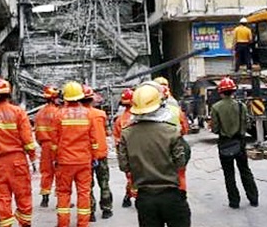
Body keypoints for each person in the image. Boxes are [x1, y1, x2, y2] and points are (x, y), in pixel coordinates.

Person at [118, 83, 191, 227]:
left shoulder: (126, 134)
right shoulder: (171, 131)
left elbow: (123, 166)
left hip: (145, 198)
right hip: (171, 195)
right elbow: (180, 163)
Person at [0, 77, 36, 227]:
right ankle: (24, 223)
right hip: (18, 161)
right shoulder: (18, 112)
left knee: (2, 199)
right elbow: (28, 139)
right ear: (9, 93)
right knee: (23, 195)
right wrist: (33, 158)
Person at [51, 81, 99, 227]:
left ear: (65, 97)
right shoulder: (89, 114)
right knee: (84, 193)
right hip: (84, 161)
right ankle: (83, 224)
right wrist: (95, 156)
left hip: (65, 162)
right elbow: (94, 140)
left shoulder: (59, 115)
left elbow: (54, 142)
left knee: (63, 194)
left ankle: (63, 223)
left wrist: (55, 159)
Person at [210, 76, 258, 209]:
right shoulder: (241, 106)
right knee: (245, 170)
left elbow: (215, 129)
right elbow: (247, 124)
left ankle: (234, 202)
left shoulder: (216, 107)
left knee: (229, 174)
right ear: (233, 91)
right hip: (240, 142)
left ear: (220, 92)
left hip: (224, 143)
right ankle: (253, 198)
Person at [81, 84, 113, 221]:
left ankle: (91, 213)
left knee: (87, 186)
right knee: (104, 183)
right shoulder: (101, 114)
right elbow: (107, 132)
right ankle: (106, 210)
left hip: (86, 155)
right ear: (91, 99)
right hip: (101, 154)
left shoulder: (79, 117)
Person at [34, 84, 60, 208]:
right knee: (60, 171)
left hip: (44, 145)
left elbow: (37, 132)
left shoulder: (39, 114)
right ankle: (61, 199)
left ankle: (45, 198)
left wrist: (43, 143)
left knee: (46, 172)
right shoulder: (58, 112)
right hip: (57, 145)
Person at [112, 88, 136, 208]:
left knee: (131, 176)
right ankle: (136, 197)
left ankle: (128, 196)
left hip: (126, 152)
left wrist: (121, 155)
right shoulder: (140, 116)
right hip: (138, 151)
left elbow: (117, 140)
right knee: (137, 177)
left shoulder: (119, 120)